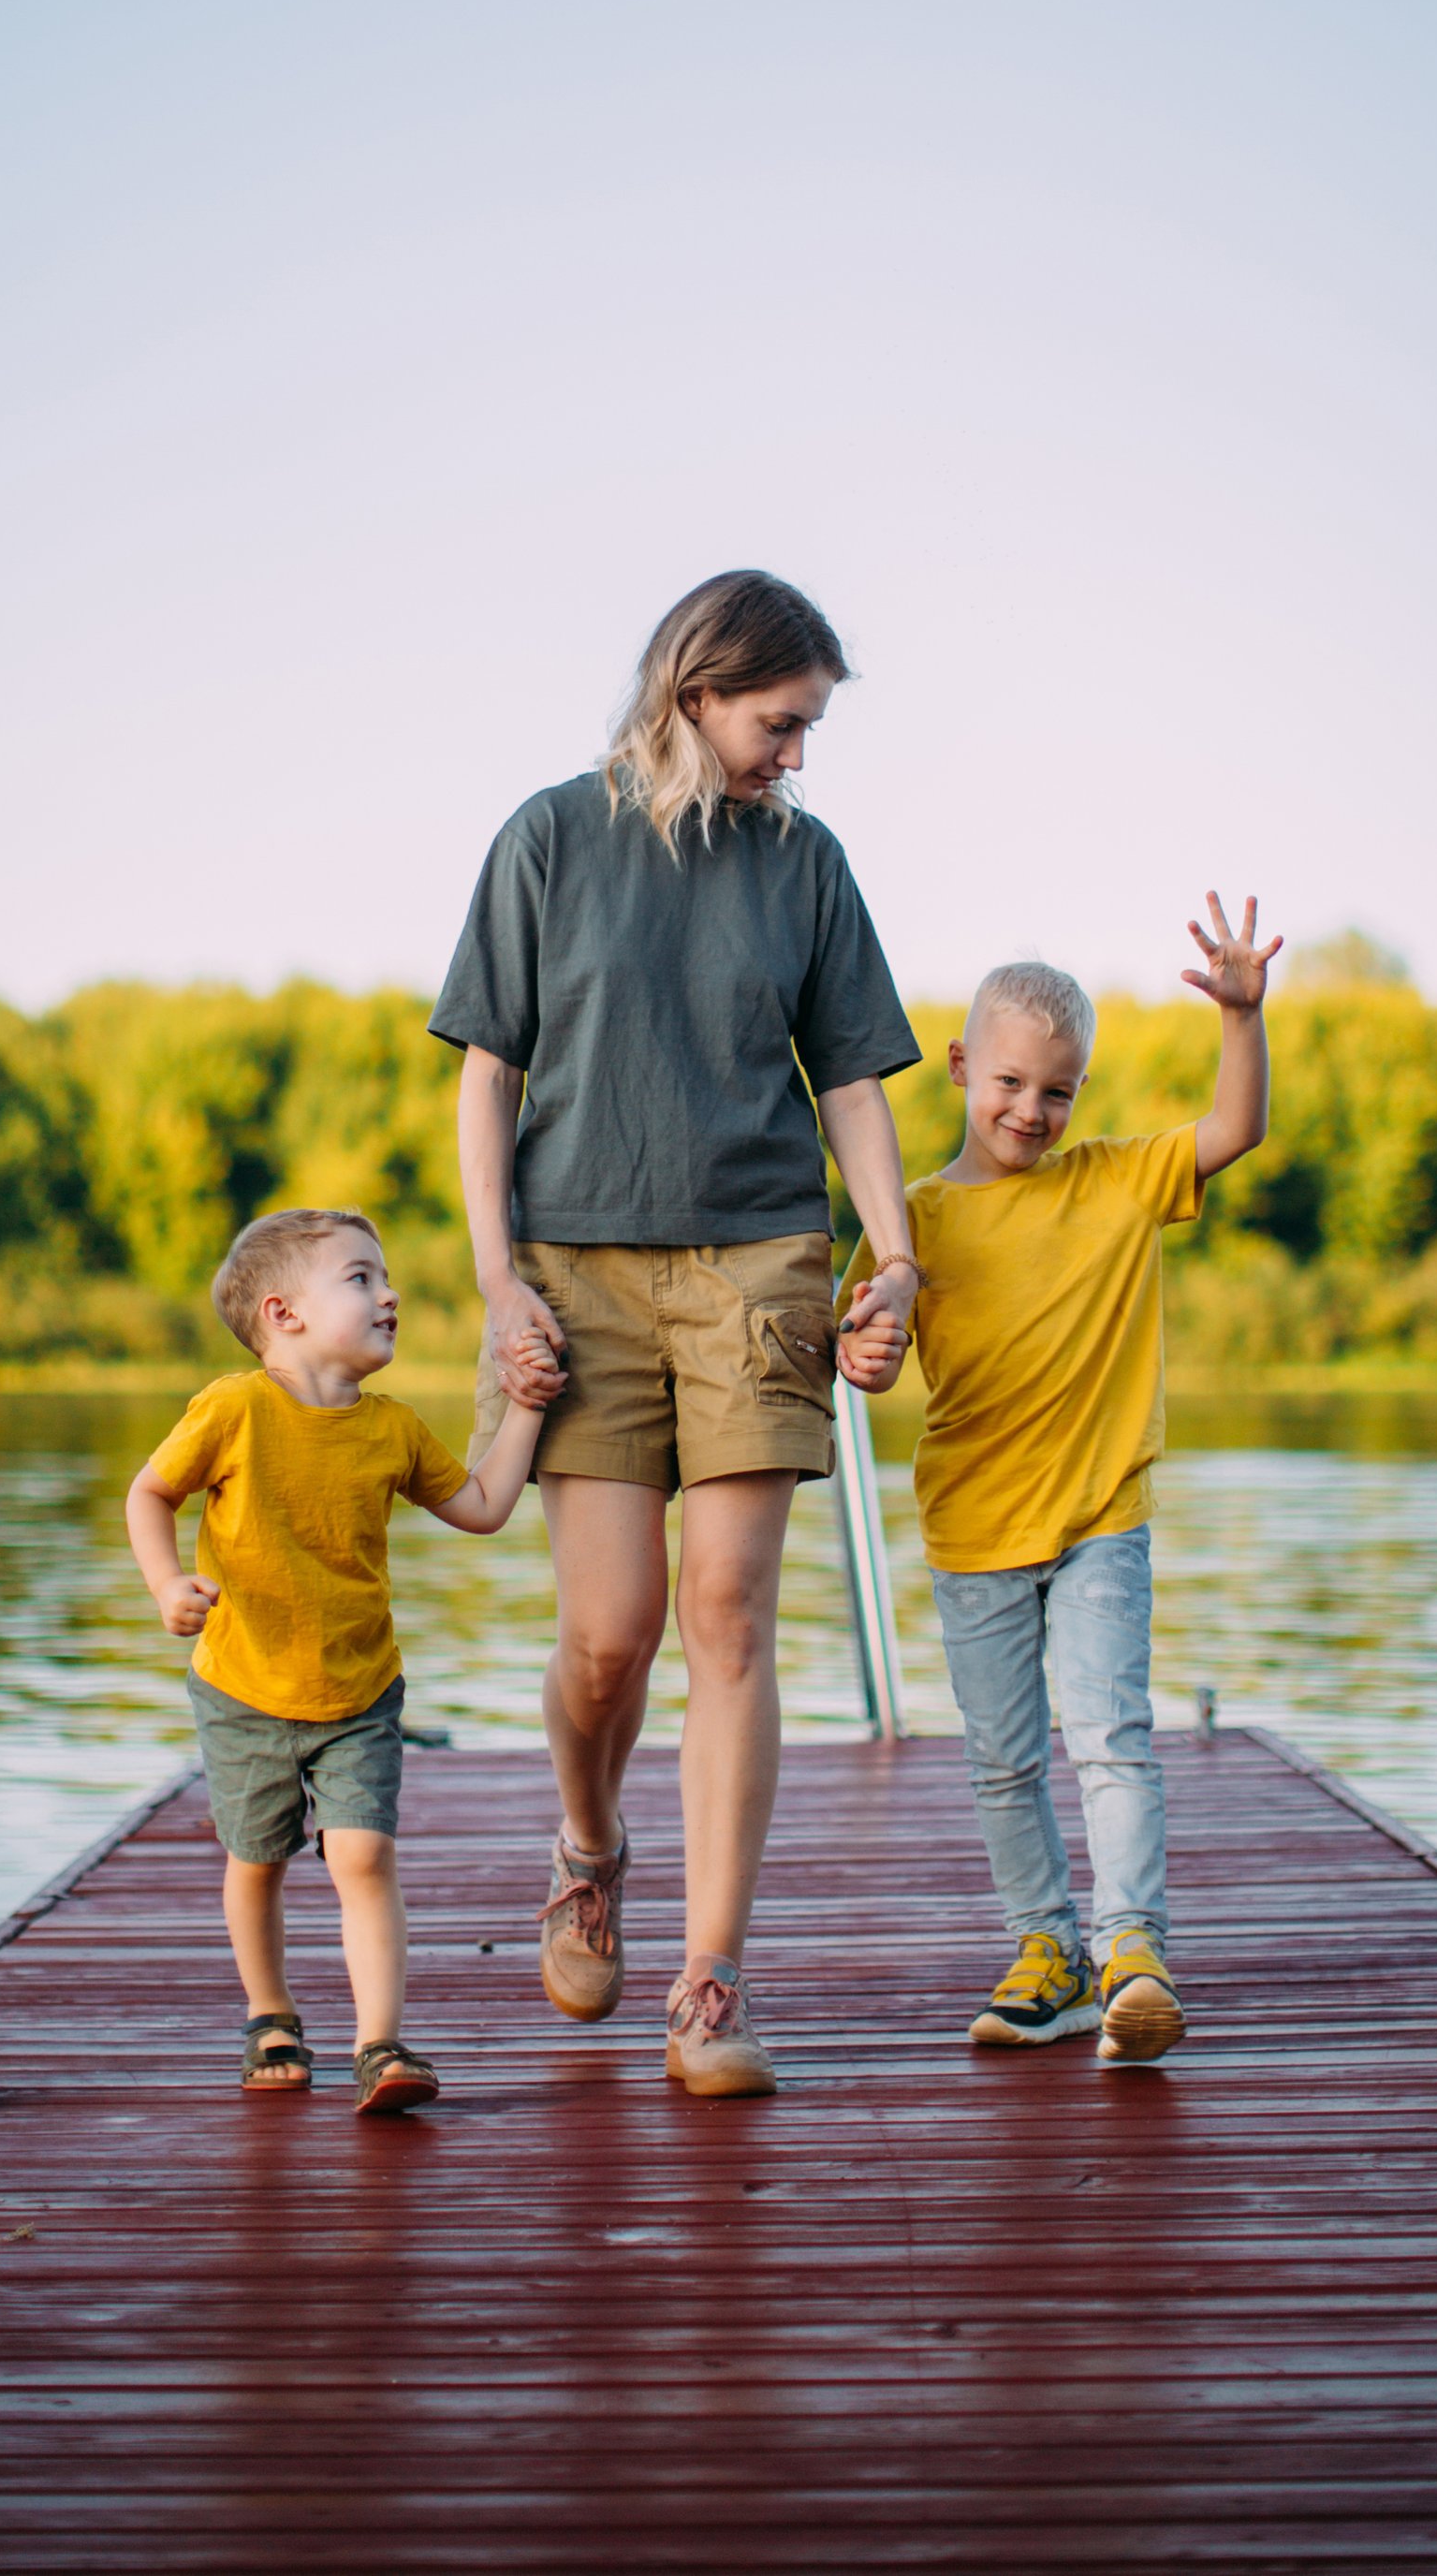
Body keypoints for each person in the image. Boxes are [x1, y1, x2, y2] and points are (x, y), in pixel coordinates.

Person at [432, 570, 923, 2097]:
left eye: (809, 727)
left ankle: (710, 1982)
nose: (796, 752)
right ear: (699, 689)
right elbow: (486, 1077)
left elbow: (850, 1080)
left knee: (729, 1613)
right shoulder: (549, 838)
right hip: (575, 1268)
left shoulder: (808, 863)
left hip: (758, 1263)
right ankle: (589, 1843)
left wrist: (894, 1257)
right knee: (607, 1636)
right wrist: (497, 1277)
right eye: (783, 721)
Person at [838, 894, 1282, 2064]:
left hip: (1098, 1521)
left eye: (1057, 1091)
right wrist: (866, 1345)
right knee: (1003, 1760)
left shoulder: (1116, 1182)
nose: (1030, 1111)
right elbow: (869, 1355)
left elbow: (1233, 1128)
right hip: (974, 1528)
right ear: (959, 1067)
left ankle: (1133, 1949)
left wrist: (1241, 1018)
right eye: (1009, 1085)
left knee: (1110, 1737)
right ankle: (1049, 1951)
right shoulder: (913, 1219)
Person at [125, 1206, 544, 2114]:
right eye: (360, 1278)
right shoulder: (233, 1409)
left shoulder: (389, 1429)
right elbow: (150, 1492)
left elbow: (480, 1506)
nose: (390, 1294)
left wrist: (524, 1410)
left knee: (362, 1854)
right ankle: (270, 2013)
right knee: (257, 1857)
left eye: (385, 1277)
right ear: (285, 1314)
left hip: (359, 1687)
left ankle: (379, 2043)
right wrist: (166, 1586)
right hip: (244, 1686)